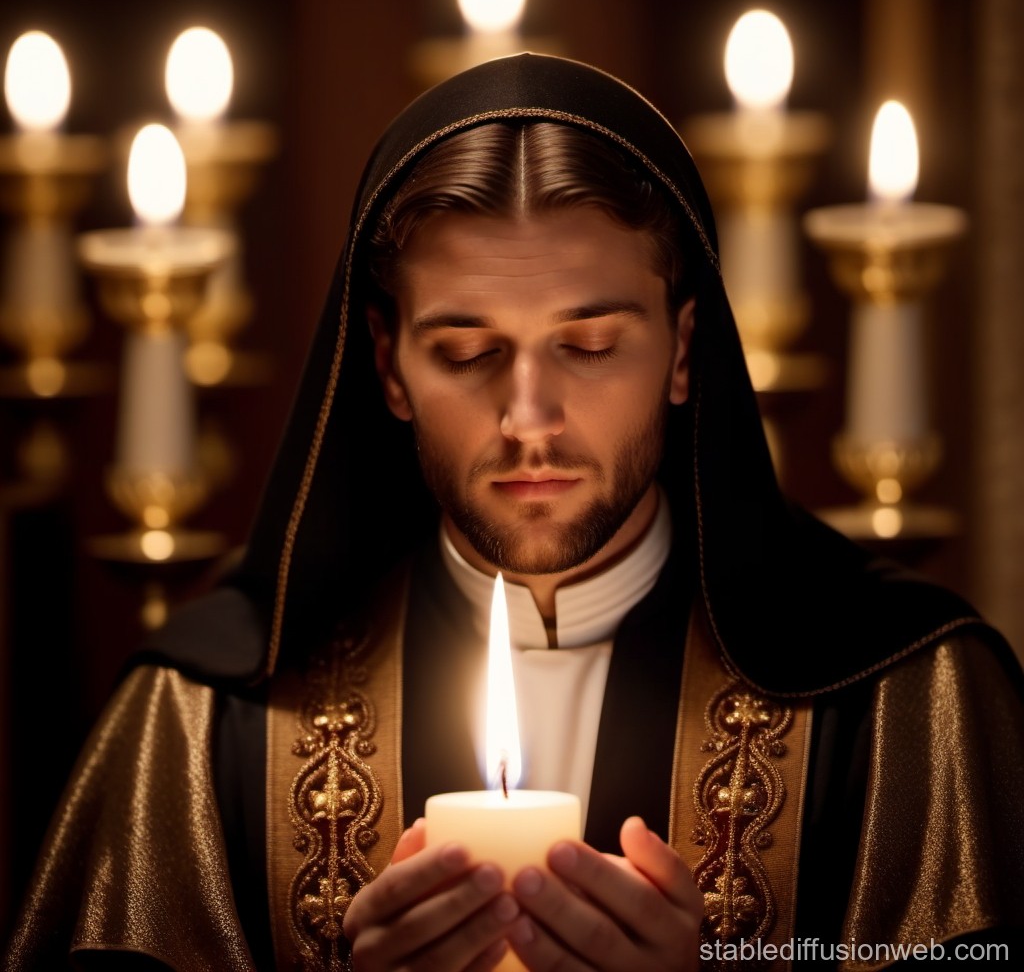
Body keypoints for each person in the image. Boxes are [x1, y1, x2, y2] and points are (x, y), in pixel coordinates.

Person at [5, 53, 1023, 971]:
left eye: (589, 346)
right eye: (466, 351)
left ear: (682, 350)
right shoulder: (201, 719)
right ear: (387, 366)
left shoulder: (904, 698)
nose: (528, 417)